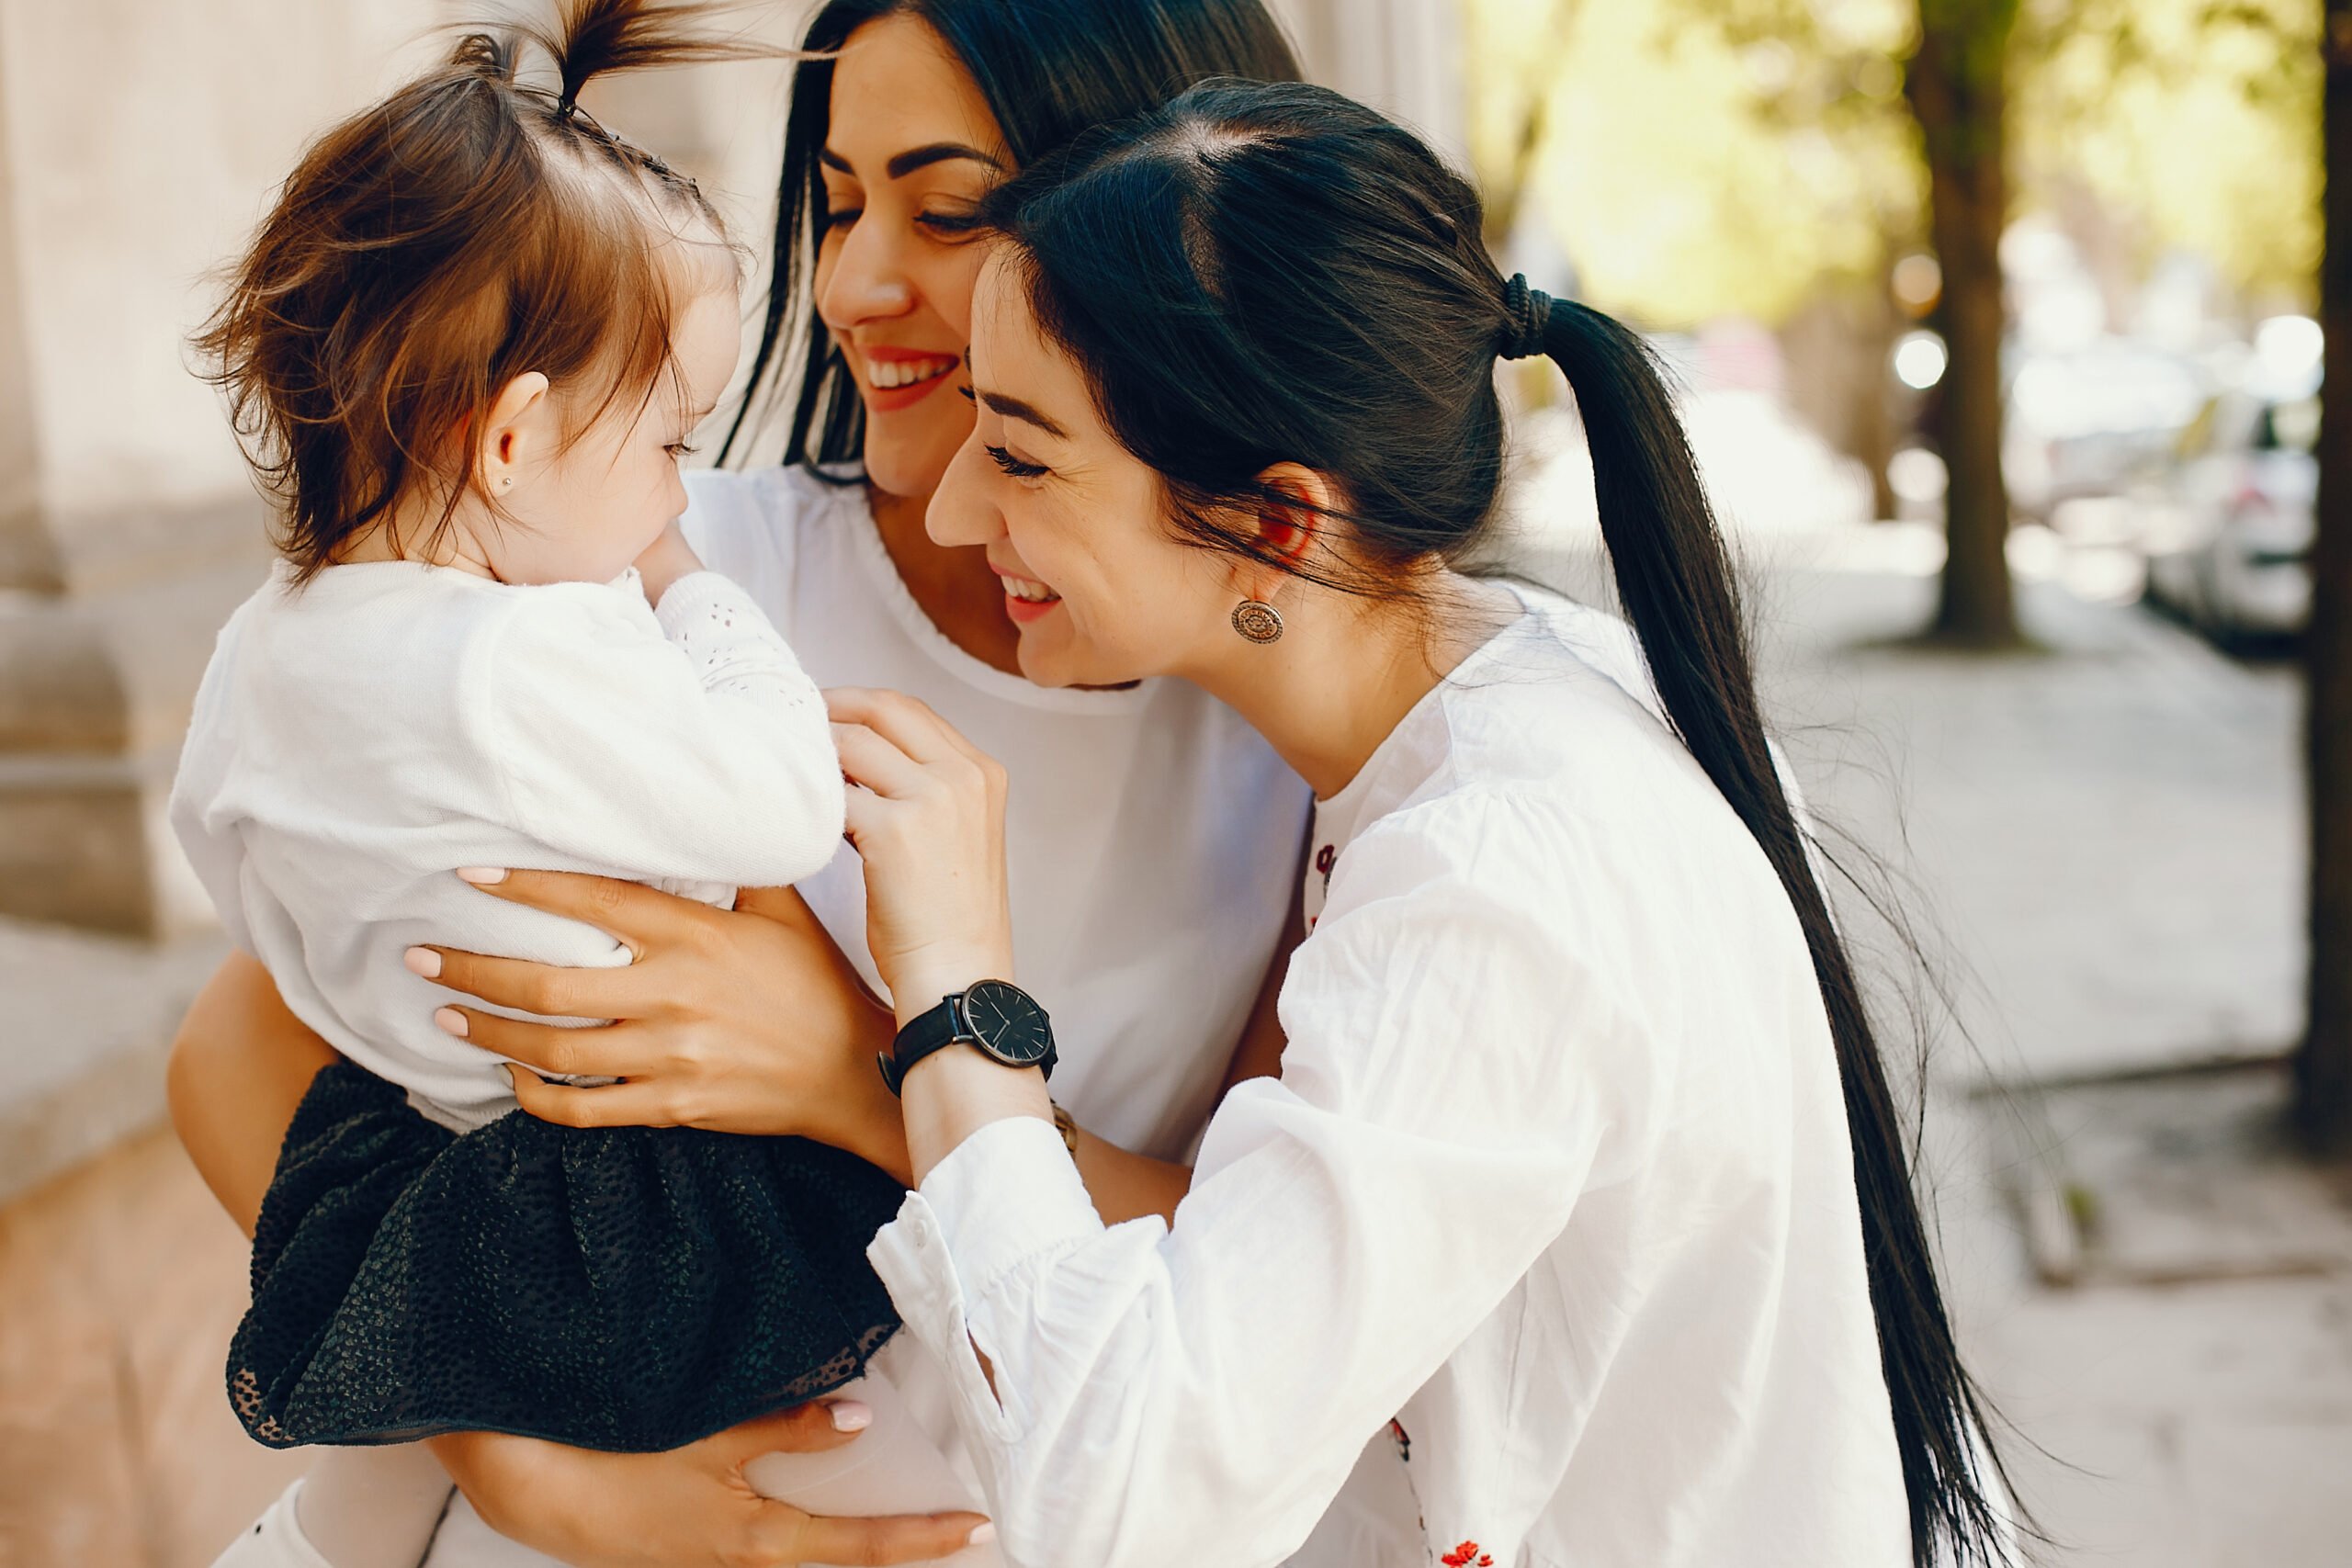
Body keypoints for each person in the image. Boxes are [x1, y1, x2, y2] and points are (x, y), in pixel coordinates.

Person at [566, 78, 2020, 1567]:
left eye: (1019, 451)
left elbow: (1128, 1496)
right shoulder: (1501, 713)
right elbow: (1236, 1269)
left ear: (1275, 523)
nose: (949, 513)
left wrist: (952, 989)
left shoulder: (1493, 881)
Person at [171, 3, 1313, 1565]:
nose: (846, 281)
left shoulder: (1273, 725)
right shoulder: (634, 558)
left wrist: (853, 1072)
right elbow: (247, 1047)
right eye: (836, 202)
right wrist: (531, 1478)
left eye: (947, 206)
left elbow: (1260, 1262)